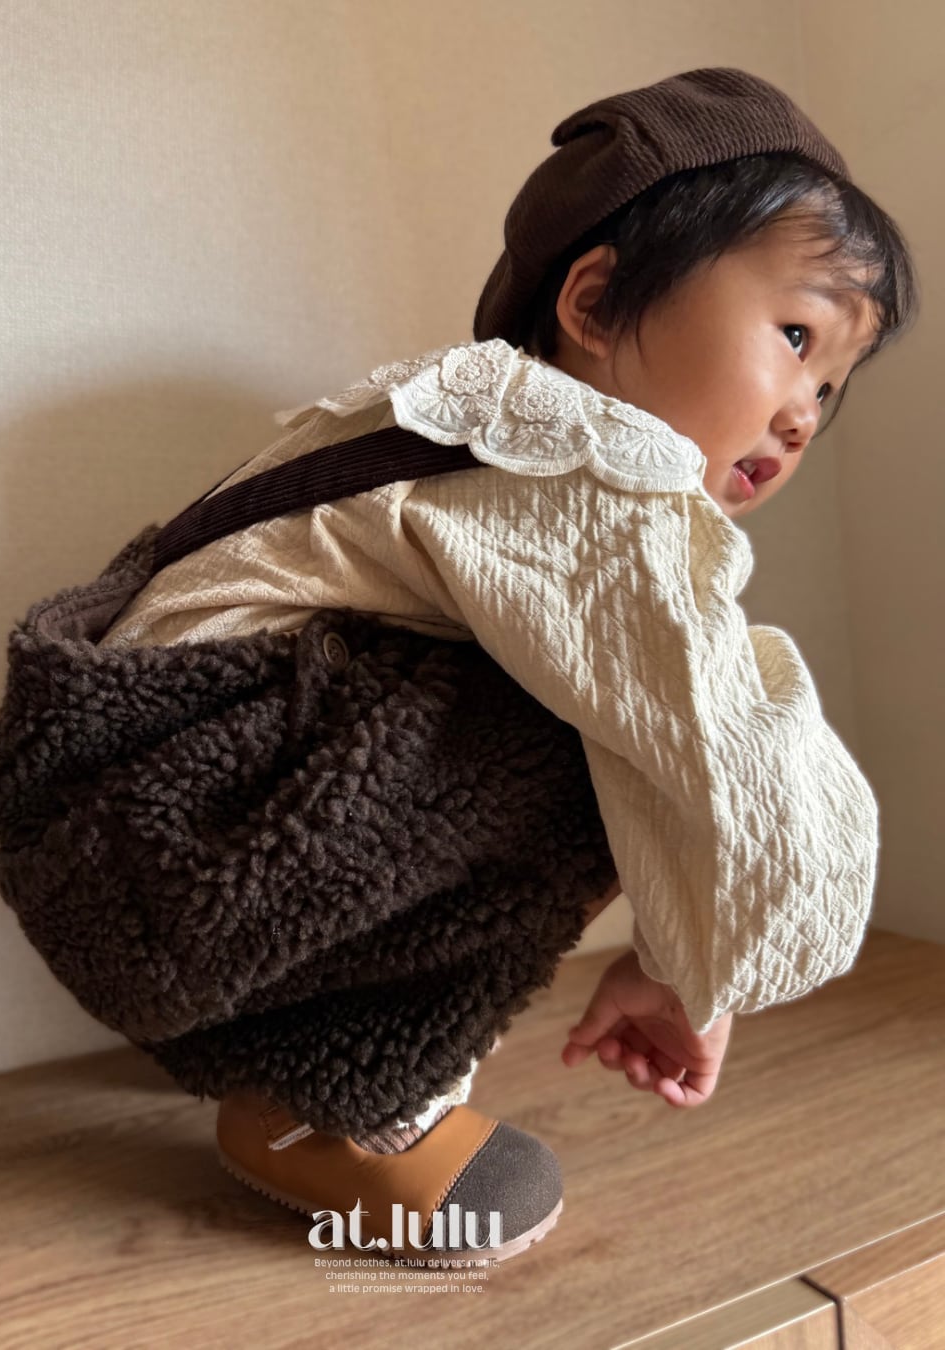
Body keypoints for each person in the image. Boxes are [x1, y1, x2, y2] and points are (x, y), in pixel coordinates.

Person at [93, 67, 918, 1261]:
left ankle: (265, 1030)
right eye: (795, 336)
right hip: (184, 837)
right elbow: (727, 748)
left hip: (139, 825)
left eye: (831, 384)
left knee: (592, 702)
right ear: (596, 300)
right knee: (603, 731)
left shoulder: (460, 432)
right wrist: (690, 971)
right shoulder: (577, 474)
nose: (803, 412)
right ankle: (332, 1114)